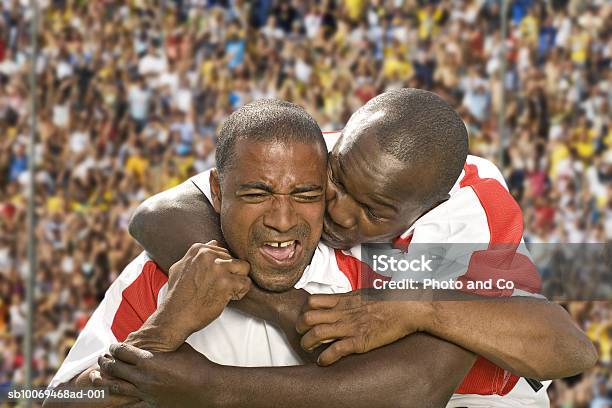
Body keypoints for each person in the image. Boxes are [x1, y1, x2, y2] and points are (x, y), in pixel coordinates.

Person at [67, 93, 594, 406]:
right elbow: (55, 398)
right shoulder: (180, 272)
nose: (338, 214)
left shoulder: (437, 252)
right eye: (330, 184)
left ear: (425, 209)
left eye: (303, 193)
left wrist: (216, 388)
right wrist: (161, 333)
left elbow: (565, 345)